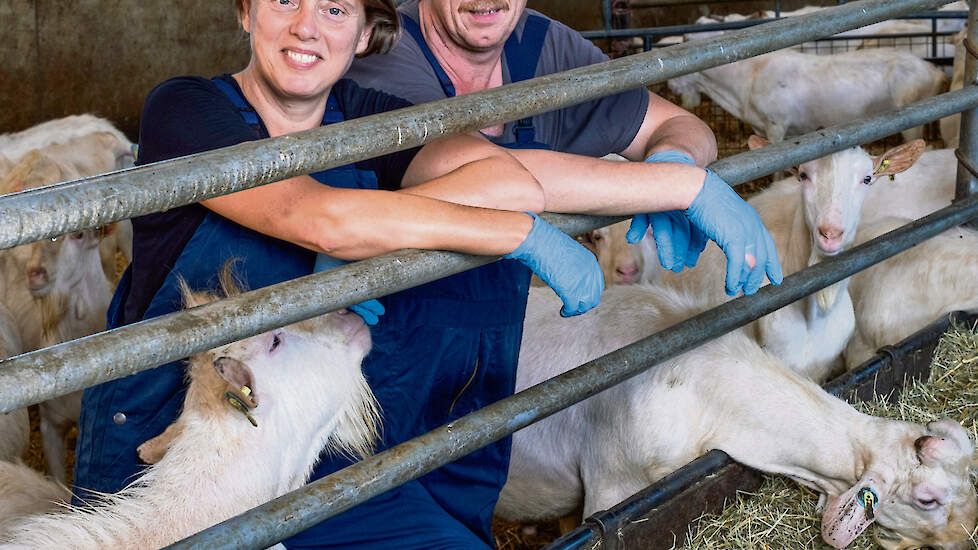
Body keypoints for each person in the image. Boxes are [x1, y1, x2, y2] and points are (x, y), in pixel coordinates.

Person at [73, 0, 779, 548]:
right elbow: (321, 219)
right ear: (244, 12)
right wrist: (510, 235)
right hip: (175, 449)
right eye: (284, 0)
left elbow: (508, 176)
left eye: (336, 9)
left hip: (315, 454)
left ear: (365, 36)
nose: (306, 27)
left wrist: (680, 186)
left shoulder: (367, 116)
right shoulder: (186, 109)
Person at [285, 1, 782, 549]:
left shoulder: (543, 46)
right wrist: (678, 190)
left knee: (464, 511)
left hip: (488, 355)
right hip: (372, 358)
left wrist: (675, 162)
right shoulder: (381, 51)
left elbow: (677, 122)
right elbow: (493, 173)